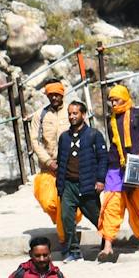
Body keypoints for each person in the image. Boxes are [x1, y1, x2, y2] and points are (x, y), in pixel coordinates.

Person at [99, 84, 139, 260]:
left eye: (116, 100)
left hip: (136, 166)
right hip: (115, 167)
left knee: (138, 205)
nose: (113, 104)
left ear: (125, 97)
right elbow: (113, 143)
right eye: (111, 101)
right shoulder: (111, 120)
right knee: (111, 205)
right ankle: (108, 244)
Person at [54, 100, 110, 261]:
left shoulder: (94, 135)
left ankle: (107, 244)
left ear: (83, 115)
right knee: (66, 219)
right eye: (69, 113)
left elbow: (103, 159)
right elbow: (61, 160)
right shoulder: (64, 137)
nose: (71, 116)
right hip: (68, 185)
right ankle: (74, 252)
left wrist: (100, 180)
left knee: (97, 218)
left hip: (87, 185)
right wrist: (60, 184)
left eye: (75, 113)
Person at [30, 81, 68, 178]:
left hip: (71, 166)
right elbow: (35, 141)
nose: (54, 97)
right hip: (49, 168)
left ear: (62, 94)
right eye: (51, 95)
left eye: (56, 94)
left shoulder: (72, 112)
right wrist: (48, 161)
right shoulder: (40, 115)